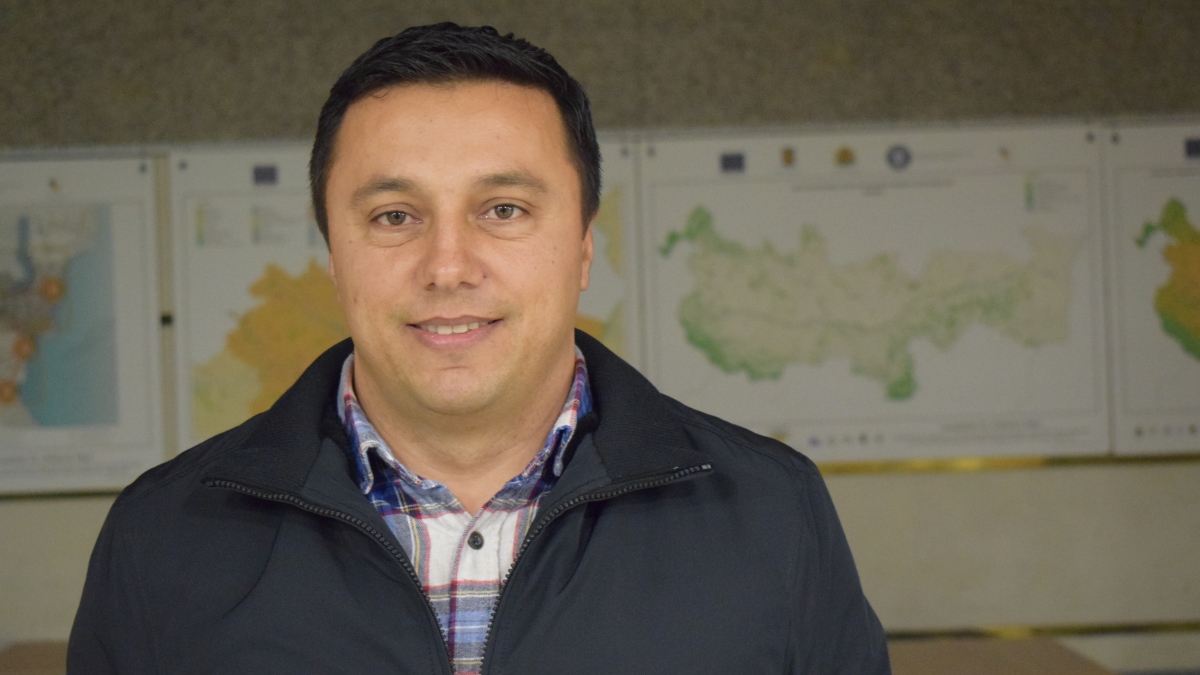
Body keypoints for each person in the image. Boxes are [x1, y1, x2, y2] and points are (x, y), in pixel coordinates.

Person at [69, 23, 890, 674]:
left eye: (503, 210)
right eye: (395, 216)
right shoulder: (163, 535)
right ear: (334, 256)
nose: (449, 266)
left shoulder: (773, 512)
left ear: (583, 248)